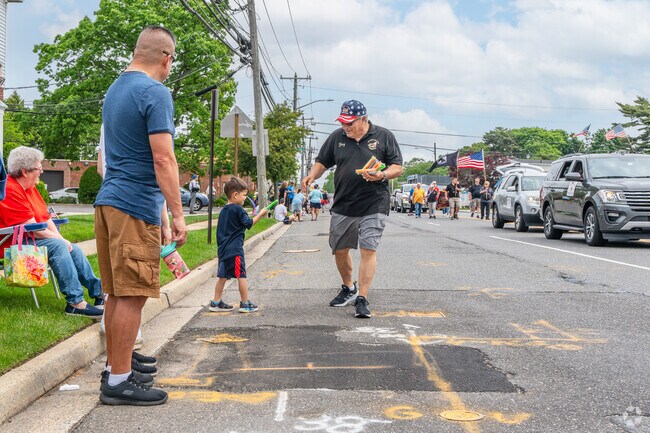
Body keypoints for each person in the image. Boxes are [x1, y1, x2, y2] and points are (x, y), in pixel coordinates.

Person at [94, 26, 187, 406]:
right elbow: (163, 158)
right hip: (133, 205)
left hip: (110, 202)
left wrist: (162, 213)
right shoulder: (155, 92)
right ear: (166, 58)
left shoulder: (116, 90)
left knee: (118, 292)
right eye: (171, 61)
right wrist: (179, 214)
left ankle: (119, 365)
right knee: (132, 295)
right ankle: (118, 383)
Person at [302, 99, 403, 319]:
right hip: (344, 202)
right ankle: (349, 288)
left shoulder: (384, 136)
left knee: (368, 248)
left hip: (374, 201)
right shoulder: (337, 137)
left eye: (350, 123)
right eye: (343, 122)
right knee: (339, 248)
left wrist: (382, 175)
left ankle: (362, 298)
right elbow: (322, 161)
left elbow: (397, 167)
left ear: (363, 119)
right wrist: (312, 175)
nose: (346, 127)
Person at [0, 146, 104, 318]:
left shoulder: (31, 189)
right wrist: (60, 241)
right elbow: (34, 228)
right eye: (39, 167)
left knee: (71, 247)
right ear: (25, 171)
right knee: (57, 246)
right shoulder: (11, 189)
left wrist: (63, 239)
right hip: (11, 243)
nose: (41, 171)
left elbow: (46, 219)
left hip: (28, 239)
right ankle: (75, 303)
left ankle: (99, 293)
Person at [209, 177, 268, 313]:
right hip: (235, 250)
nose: (244, 198)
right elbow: (248, 224)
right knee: (241, 275)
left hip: (223, 250)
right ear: (235, 195)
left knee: (222, 276)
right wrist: (261, 214)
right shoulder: (238, 209)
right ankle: (245, 303)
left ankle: (216, 302)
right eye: (244, 195)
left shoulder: (224, 210)